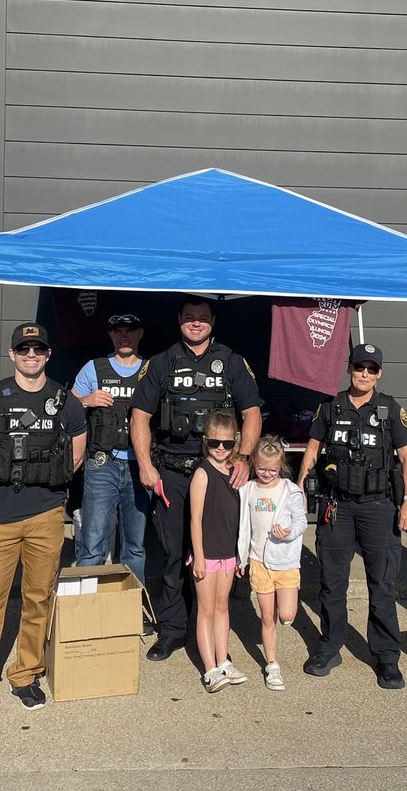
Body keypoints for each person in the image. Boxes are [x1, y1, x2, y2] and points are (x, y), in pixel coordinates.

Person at [0, 323, 87, 721]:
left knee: (37, 599)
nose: (31, 355)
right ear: (12, 354)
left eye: (38, 349)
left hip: (47, 517)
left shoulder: (66, 402)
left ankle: (26, 674)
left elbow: (77, 454)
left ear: (48, 354)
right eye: (23, 349)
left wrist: (42, 486)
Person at [131, 296, 263, 662]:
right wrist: (146, 464)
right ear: (179, 320)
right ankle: (173, 630)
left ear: (213, 321)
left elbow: (251, 412)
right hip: (173, 473)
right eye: (189, 317)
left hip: (219, 475)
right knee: (175, 554)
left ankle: (213, 635)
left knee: (217, 556)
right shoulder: (162, 362)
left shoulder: (232, 362)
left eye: (202, 318)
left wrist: (245, 458)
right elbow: (140, 416)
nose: (195, 323)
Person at [296, 343, 407, 690]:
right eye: (359, 367)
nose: (364, 374)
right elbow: (313, 451)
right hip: (337, 505)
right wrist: (300, 489)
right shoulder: (329, 408)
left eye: (371, 369)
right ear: (349, 368)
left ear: (379, 373)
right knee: (332, 581)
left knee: (382, 582)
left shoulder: (390, 409)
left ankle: (386, 657)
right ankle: (330, 646)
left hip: (378, 507)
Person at [73, 314, 152, 615]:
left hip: (138, 467)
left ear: (140, 333)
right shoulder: (94, 368)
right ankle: (83, 612)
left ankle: (132, 612)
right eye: (117, 331)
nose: (124, 336)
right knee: (92, 545)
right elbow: (68, 406)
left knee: (134, 546)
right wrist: (87, 400)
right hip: (101, 465)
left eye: (130, 331)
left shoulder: (150, 369)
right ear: (110, 335)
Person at [236, 434, 307, 691]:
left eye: (273, 469)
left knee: (286, 614)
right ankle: (272, 665)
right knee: (267, 618)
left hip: (286, 562)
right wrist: (241, 558)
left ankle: (283, 605)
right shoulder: (248, 489)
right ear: (254, 463)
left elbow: (301, 520)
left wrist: (288, 531)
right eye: (262, 468)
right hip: (259, 562)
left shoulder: (290, 490)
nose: (267, 474)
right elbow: (244, 527)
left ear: (281, 467)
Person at [187, 410, 246, 692]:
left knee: (223, 608)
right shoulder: (202, 473)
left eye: (227, 443)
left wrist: (239, 555)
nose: (220, 449)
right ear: (205, 442)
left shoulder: (236, 473)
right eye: (214, 443)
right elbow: (195, 519)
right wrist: (198, 556)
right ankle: (210, 669)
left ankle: (224, 661)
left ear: (235, 442)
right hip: (206, 555)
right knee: (206, 610)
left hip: (228, 555)